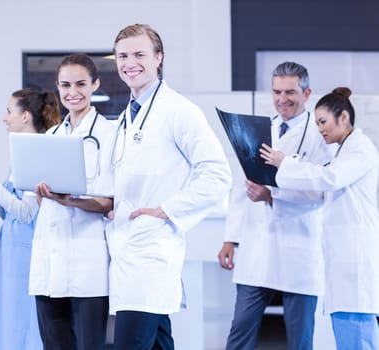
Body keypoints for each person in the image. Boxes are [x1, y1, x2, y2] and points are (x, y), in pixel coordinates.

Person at [107, 23, 232, 350]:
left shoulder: (180, 111)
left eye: (139, 54)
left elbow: (218, 175)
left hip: (151, 251)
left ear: (158, 58)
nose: (129, 62)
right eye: (122, 55)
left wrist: (165, 210)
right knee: (160, 344)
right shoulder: (127, 116)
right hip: (127, 248)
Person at [217, 61, 335, 350]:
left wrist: (272, 196)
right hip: (257, 246)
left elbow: (321, 193)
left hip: (299, 248)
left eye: (290, 92)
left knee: (300, 337)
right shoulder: (261, 129)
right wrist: (230, 238)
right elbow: (240, 186)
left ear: (307, 94)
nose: (282, 99)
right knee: (240, 331)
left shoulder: (320, 137)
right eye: (277, 91)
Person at [260, 87, 379, 350]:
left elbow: (329, 179)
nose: (319, 129)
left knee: (357, 337)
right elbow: (318, 189)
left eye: (323, 122)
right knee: (347, 334)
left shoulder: (360, 149)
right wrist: (272, 192)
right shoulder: (343, 153)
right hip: (343, 265)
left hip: (355, 266)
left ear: (344, 117)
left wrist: (285, 163)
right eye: (316, 124)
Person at [29, 53, 115, 350]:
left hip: (87, 264)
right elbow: (39, 203)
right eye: (65, 85)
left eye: (81, 84)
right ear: (57, 87)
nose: (72, 92)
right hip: (49, 263)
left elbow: (108, 203)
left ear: (95, 85)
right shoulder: (50, 136)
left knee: (89, 346)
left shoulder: (109, 134)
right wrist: (45, 196)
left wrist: (70, 201)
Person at [0, 88, 61, 349]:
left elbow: (25, 212)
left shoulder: (38, 152)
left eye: (9, 111)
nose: (4, 118)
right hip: (15, 250)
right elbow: (8, 212)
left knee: (27, 323)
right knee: (12, 321)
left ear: (26, 116)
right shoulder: (21, 154)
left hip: (28, 252)